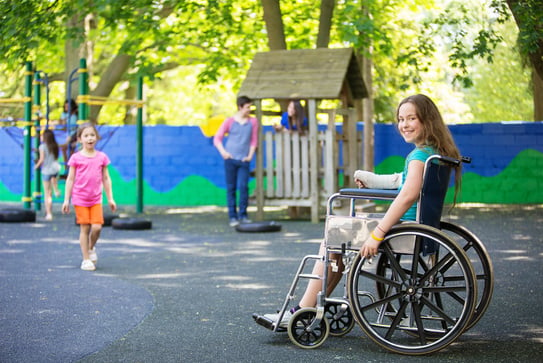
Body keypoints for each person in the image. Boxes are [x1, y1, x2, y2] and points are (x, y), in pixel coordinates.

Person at [260, 94, 462, 327]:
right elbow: (402, 181)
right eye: (401, 119)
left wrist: (378, 233)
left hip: (403, 229)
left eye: (411, 118)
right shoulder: (433, 153)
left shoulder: (418, 156)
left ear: (427, 120)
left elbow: (408, 195)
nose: (404, 124)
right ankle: (312, 306)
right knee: (337, 243)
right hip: (419, 226)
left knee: (331, 239)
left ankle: (302, 309)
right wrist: (371, 179)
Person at [62, 123, 116, 271]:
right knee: (85, 229)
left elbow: (106, 178)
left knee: (97, 228)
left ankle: (90, 247)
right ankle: (86, 259)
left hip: (96, 199)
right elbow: (70, 179)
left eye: (92, 135)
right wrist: (66, 200)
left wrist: (110, 198)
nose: (90, 138)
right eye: (86, 135)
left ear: (97, 138)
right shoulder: (76, 158)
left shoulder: (102, 157)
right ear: (80, 139)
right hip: (80, 199)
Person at [213, 95, 259, 227]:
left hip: (244, 160)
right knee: (231, 188)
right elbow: (217, 138)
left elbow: (253, 140)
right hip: (230, 159)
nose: (249, 109)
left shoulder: (253, 122)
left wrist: (250, 156)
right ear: (240, 107)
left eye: (250, 107)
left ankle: (243, 215)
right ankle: (232, 217)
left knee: (244, 187)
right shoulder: (229, 121)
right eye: (247, 107)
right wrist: (224, 153)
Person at [34, 129, 61, 220]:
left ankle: (49, 213)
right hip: (56, 168)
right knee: (52, 183)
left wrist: (36, 166)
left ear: (45, 137)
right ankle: (56, 188)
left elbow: (42, 159)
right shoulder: (55, 145)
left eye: (42, 136)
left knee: (47, 193)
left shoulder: (42, 146)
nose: (41, 137)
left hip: (47, 170)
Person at [60, 99, 79, 164]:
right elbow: (64, 126)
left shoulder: (76, 114)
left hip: (75, 134)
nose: (66, 108)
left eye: (68, 107)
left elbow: (78, 126)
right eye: (65, 107)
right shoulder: (64, 114)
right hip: (70, 134)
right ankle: (67, 165)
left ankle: (71, 165)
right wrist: (64, 120)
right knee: (66, 149)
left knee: (70, 150)